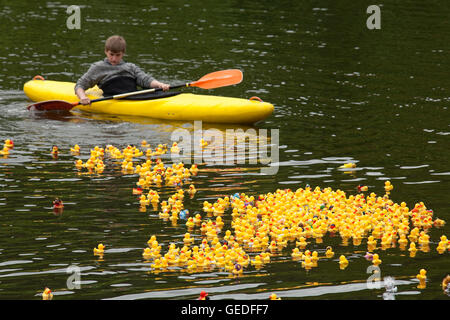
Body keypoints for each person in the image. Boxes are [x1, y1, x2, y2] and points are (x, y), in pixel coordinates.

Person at [75, 35, 170, 105]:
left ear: (123, 53)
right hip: (116, 98)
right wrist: (83, 97)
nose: (114, 59)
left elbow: (145, 80)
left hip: (135, 97)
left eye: (118, 55)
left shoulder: (130, 67)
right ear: (105, 51)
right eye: (111, 54)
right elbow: (80, 85)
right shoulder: (98, 67)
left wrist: (160, 85)